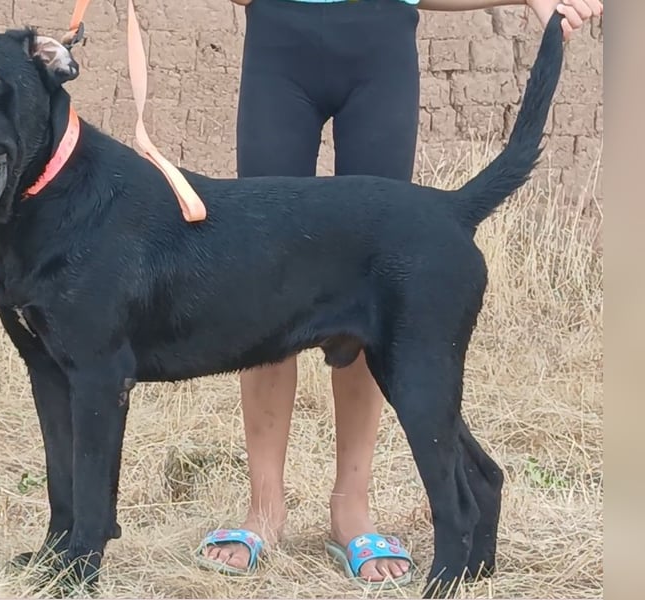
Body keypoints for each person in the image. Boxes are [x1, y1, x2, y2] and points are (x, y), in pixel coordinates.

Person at [194, 0, 603, 587]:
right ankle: (264, 510)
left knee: (375, 287)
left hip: (380, 45)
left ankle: (351, 509)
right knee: (266, 282)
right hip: (280, 42)